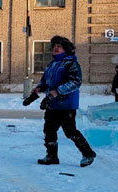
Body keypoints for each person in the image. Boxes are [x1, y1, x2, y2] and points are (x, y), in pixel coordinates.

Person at [29, 36, 97, 167]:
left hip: (66, 104)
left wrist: (58, 91)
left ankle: (88, 154)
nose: (55, 48)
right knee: (48, 130)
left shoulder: (71, 64)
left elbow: (76, 82)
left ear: (66, 49)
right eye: (54, 45)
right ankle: (51, 156)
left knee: (70, 131)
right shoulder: (51, 65)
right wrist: (39, 88)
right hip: (52, 103)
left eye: (59, 46)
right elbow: (45, 82)